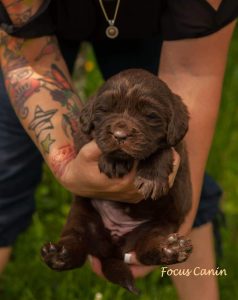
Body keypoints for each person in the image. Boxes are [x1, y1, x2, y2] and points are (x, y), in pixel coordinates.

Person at [0, 0, 237, 299]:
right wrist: (68, 166)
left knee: (172, 169)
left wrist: (178, 218)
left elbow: (193, 70)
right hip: (44, 24)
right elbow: (31, 60)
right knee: (6, 169)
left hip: (151, 22)